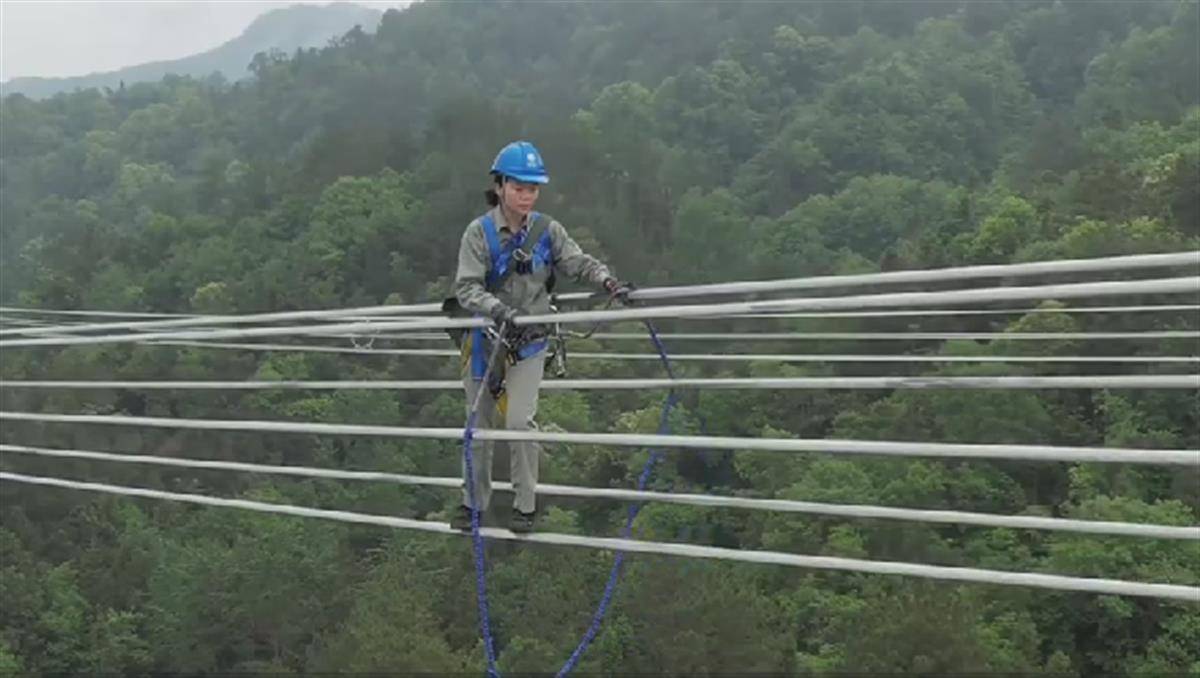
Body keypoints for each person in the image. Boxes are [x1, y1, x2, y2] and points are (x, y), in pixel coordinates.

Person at [450, 140, 633, 533]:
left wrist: (607, 280)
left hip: (529, 342)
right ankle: (473, 505)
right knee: (478, 425)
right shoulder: (478, 234)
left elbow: (576, 261)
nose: (526, 195)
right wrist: (499, 310)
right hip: (486, 340)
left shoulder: (548, 231)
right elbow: (466, 288)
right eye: (518, 187)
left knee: (519, 423)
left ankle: (525, 506)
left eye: (532, 188)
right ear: (499, 186)